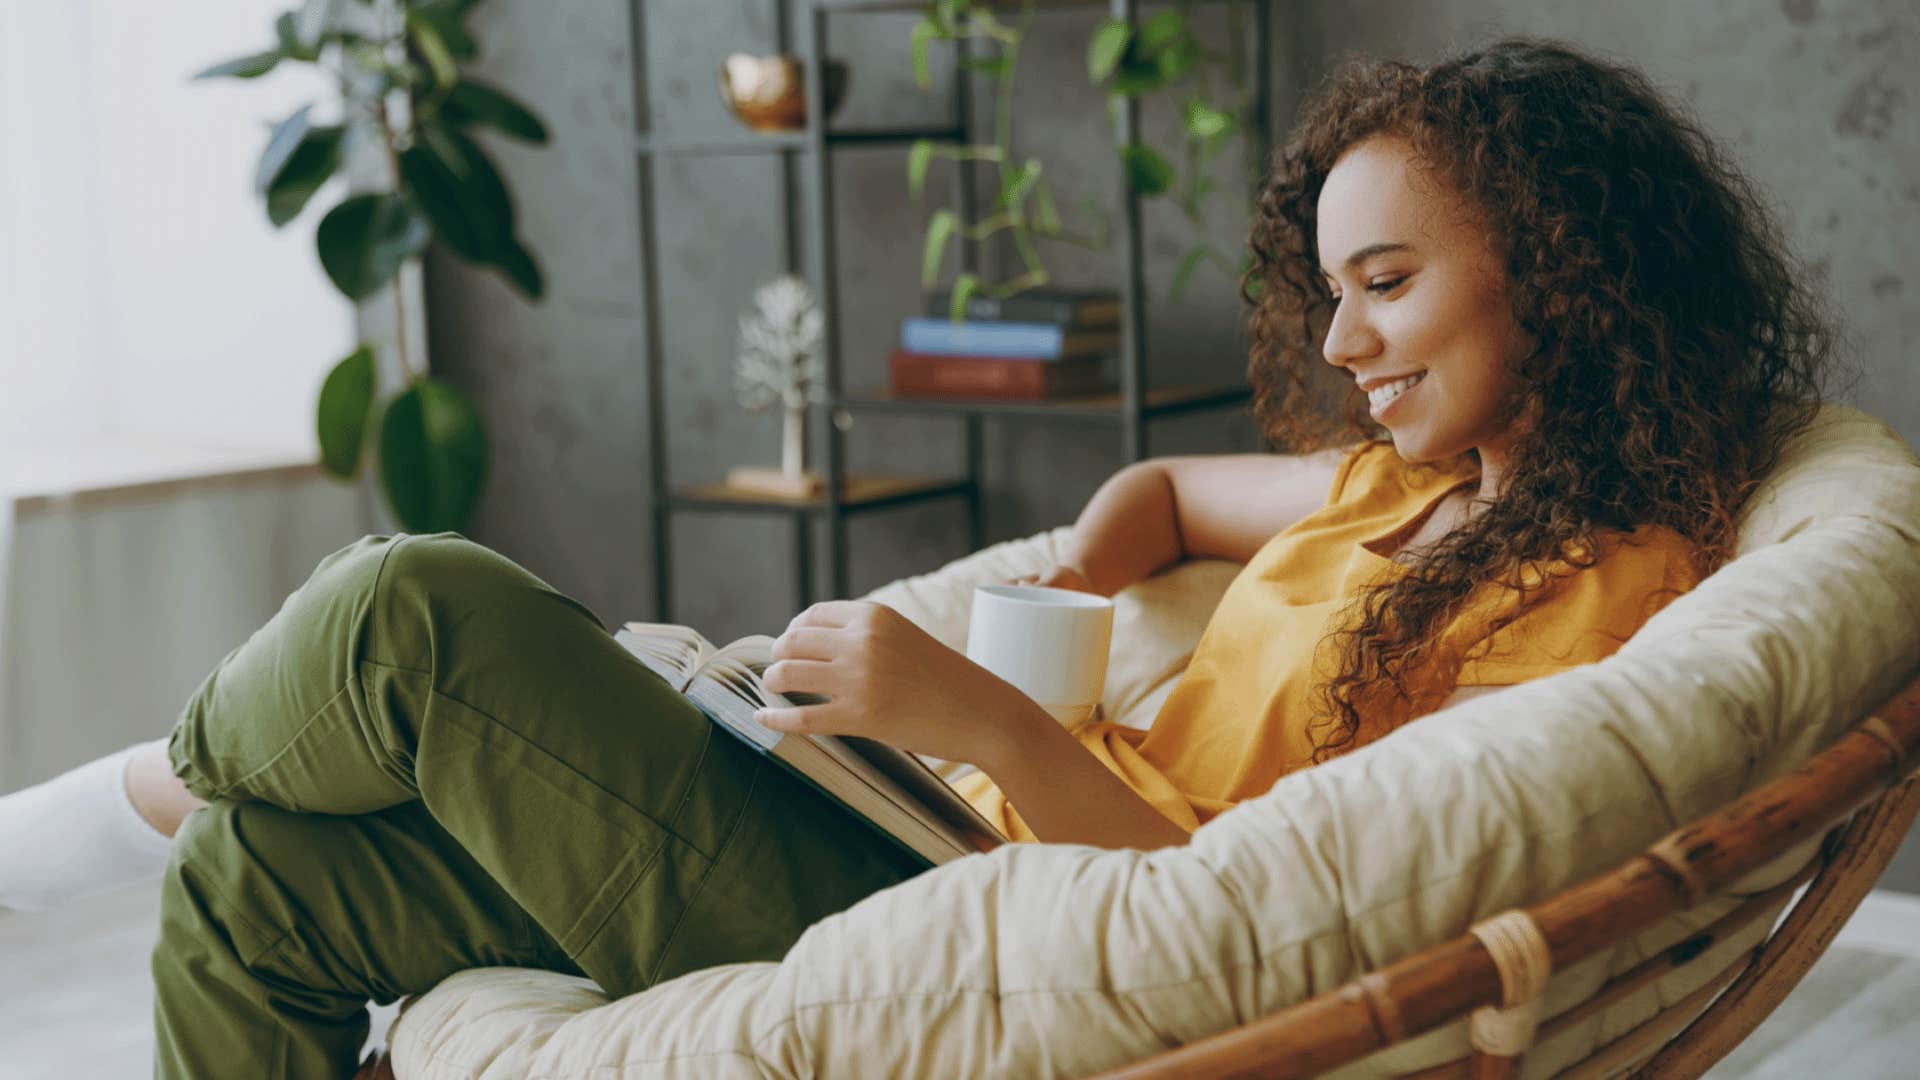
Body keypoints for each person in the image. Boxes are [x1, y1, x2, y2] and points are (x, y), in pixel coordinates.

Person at [0, 37, 1833, 1079]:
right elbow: (1173, 496)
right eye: (1331, 289)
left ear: (1567, 270)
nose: (1344, 347)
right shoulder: (1403, 488)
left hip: (987, 927)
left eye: (1390, 285)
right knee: (265, 882)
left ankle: (89, 814)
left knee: (419, 611)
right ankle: (180, 812)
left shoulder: (1593, 586)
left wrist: (983, 712)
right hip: (918, 827)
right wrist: (1095, 591)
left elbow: (1273, 923)